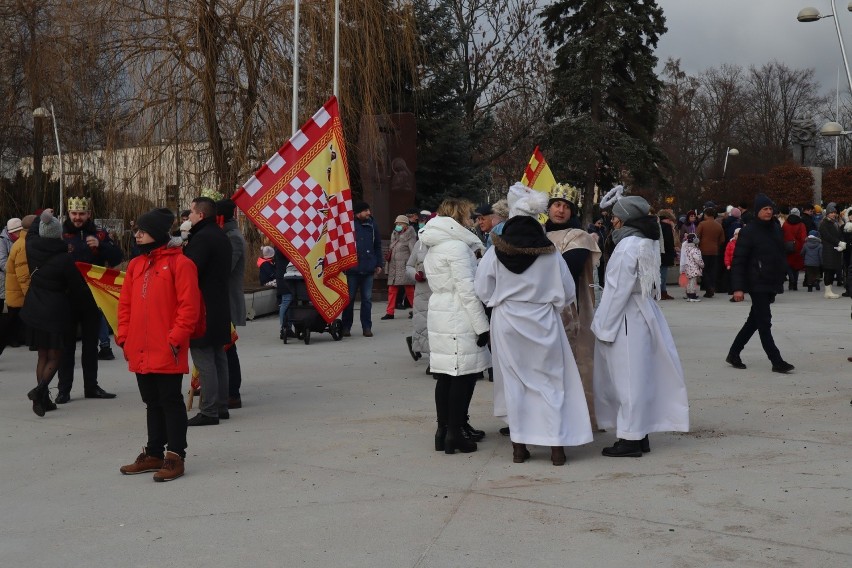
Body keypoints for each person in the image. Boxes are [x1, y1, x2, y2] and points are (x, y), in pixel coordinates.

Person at [475, 214, 593, 466]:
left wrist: (502, 299)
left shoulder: (493, 254)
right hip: (543, 320)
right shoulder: (551, 255)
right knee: (550, 381)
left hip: (507, 321)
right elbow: (568, 292)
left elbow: (482, 289)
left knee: (514, 382)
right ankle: (556, 449)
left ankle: (519, 448)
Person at [591, 196, 689, 457]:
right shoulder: (647, 241)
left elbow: (616, 290)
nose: (612, 219)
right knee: (640, 375)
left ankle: (631, 437)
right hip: (643, 312)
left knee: (627, 378)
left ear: (625, 218)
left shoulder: (627, 247)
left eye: (615, 215)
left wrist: (602, 325)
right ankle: (640, 433)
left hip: (626, 316)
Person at [117, 208, 200, 482]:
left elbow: (189, 307)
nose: (137, 235)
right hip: (139, 347)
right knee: (151, 401)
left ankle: (175, 456)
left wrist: (175, 337)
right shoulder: (136, 265)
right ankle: (153, 453)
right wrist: (124, 336)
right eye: (136, 230)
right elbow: (125, 304)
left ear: (157, 233)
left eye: (142, 230)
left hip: (167, 346)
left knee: (171, 401)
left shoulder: (181, 264)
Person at [420, 198, 490, 454]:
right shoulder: (457, 248)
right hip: (459, 314)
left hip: (441, 311)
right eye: (470, 216)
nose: (473, 220)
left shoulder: (435, 244)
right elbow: (468, 291)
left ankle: (445, 430)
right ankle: (454, 433)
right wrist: (482, 326)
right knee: (463, 374)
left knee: (447, 375)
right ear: (459, 218)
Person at [541, 183, 602, 431]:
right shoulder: (540, 235)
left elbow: (567, 270)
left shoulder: (578, 236)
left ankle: (578, 417)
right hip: (542, 309)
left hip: (571, 308)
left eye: (566, 207)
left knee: (575, 362)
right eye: (557, 204)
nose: (561, 210)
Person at [21, 212, 92, 416]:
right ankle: (40, 390)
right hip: (55, 311)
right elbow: (78, 289)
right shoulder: (64, 259)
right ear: (58, 234)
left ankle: (43, 401)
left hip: (34, 307)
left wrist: (42, 216)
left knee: (42, 355)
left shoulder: (31, 246)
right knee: (55, 356)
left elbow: (33, 229)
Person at [57, 197, 122, 402]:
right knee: (66, 346)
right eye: (74, 214)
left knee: (90, 345)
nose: (77, 218)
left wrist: (101, 245)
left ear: (88, 215)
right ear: (69, 213)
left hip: (93, 298)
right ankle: (63, 389)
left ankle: (91, 387)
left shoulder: (100, 233)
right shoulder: (60, 235)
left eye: (81, 214)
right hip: (66, 298)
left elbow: (117, 257)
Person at [726, 193, 795, 374]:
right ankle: (776, 360)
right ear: (757, 211)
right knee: (765, 322)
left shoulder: (775, 228)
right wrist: (738, 288)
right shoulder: (748, 231)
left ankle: (733, 353)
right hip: (756, 282)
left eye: (770, 209)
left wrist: (786, 272)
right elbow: (739, 261)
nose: (768, 211)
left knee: (753, 322)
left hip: (770, 281)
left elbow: (778, 255)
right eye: (765, 209)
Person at [184, 196, 232, 425]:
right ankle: (221, 405)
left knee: (204, 359)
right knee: (218, 356)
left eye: (191, 212)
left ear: (200, 215)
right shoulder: (219, 234)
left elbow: (189, 270)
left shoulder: (202, 238)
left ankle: (210, 410)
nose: (188, 216)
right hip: (219, 303)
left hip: (204, 306)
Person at [217, 199, 247, 410]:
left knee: (228, 347)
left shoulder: (233, 238)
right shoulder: (226, 236)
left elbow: (224, 269)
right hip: (220, 299)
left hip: (226, 300)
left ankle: (232, 392)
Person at [342, 202, 383, 337]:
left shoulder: (372, 225)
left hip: (368, 268)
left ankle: (367, 327)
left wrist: (379, 264)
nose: (369, 213)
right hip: (352, 268)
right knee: (349, 299)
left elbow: (377, 245)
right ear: (358, 212)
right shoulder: (349, 224)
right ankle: (346, 327)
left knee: (367, 299)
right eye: (366, 211)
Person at [3, 215, 36, 350]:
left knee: (14, 318)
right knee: (13, 319)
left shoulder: (21, 243)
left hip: (15, 289)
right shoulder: (23, 245)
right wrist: (29, 293)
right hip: (18, 291)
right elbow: (23, 274)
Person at [382, 214, 416, 320]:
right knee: (392, 290)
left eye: (400, 223)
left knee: (409, 289)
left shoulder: (410, 236)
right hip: (394, 266)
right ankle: (390, 312)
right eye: (396, 223)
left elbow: (413, 252)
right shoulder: (395, 235)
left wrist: (412, 266)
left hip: (404, 266)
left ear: (405, 225)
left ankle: (416, 310)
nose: (397, 225)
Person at [405, 230, 431, 366]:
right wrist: (415, 274)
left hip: (439, 290)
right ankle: (430, 358)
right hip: (422, 291)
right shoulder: (419, 244)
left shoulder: (448, 245)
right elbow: (409, 266)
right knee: (423, 324)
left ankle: (434, 360)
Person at [696, 208, 724, 297]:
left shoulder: (702, 224)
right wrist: (716, 245)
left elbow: (697, 237)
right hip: (715, 251)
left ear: (706, 215)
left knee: (704, 271)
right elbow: (722, 240)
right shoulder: (719, 225)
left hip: (703, 251)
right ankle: (712, 286)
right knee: (712, 271)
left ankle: (709, 288)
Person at [818, 204, 843, 299]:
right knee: (828, 270)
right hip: (828, 249)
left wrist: (840, 242)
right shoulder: (824, 223)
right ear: (827, 213)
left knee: (832, 270)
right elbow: (827, 236)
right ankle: (827, 291)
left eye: (834, 213)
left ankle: (830, 290)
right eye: (831, 213)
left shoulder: (834, 222)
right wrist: (839, 242)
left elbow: (837, 234)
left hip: (834, 249)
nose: (833, 214)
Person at [1, 217, 22, 313]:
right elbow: (2, 262)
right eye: (17, 232)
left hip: (17, 281)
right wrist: (17, 271)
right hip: (4, 279)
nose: (19, 234)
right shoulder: (2, 241)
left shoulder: (21, 240)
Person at [782, 207, 807, 291]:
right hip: (798, 247)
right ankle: (794, 284)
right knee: (796, 267)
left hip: (787, 247)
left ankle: (791, 281)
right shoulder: (801, 225)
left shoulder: (785, 224)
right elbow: (803, 238)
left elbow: (782, 235)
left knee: (788, 265)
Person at [657, 209, 677, 300]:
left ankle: (660, 291)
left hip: (658, 252)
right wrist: (673, 252)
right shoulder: (667, 226)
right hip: (665, 253)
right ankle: (662, 292)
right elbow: (669, 241)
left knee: (659, 273)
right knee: (663, 274)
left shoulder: (657, 225)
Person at [680, 233, 704, 302]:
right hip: (694, 268)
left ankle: (689, 294)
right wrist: (702, 265)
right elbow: (698, 259)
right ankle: (692, 296)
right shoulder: (695, 250)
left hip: (688, 268)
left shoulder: (686, 249)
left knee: (689, 282)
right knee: (693, 282)